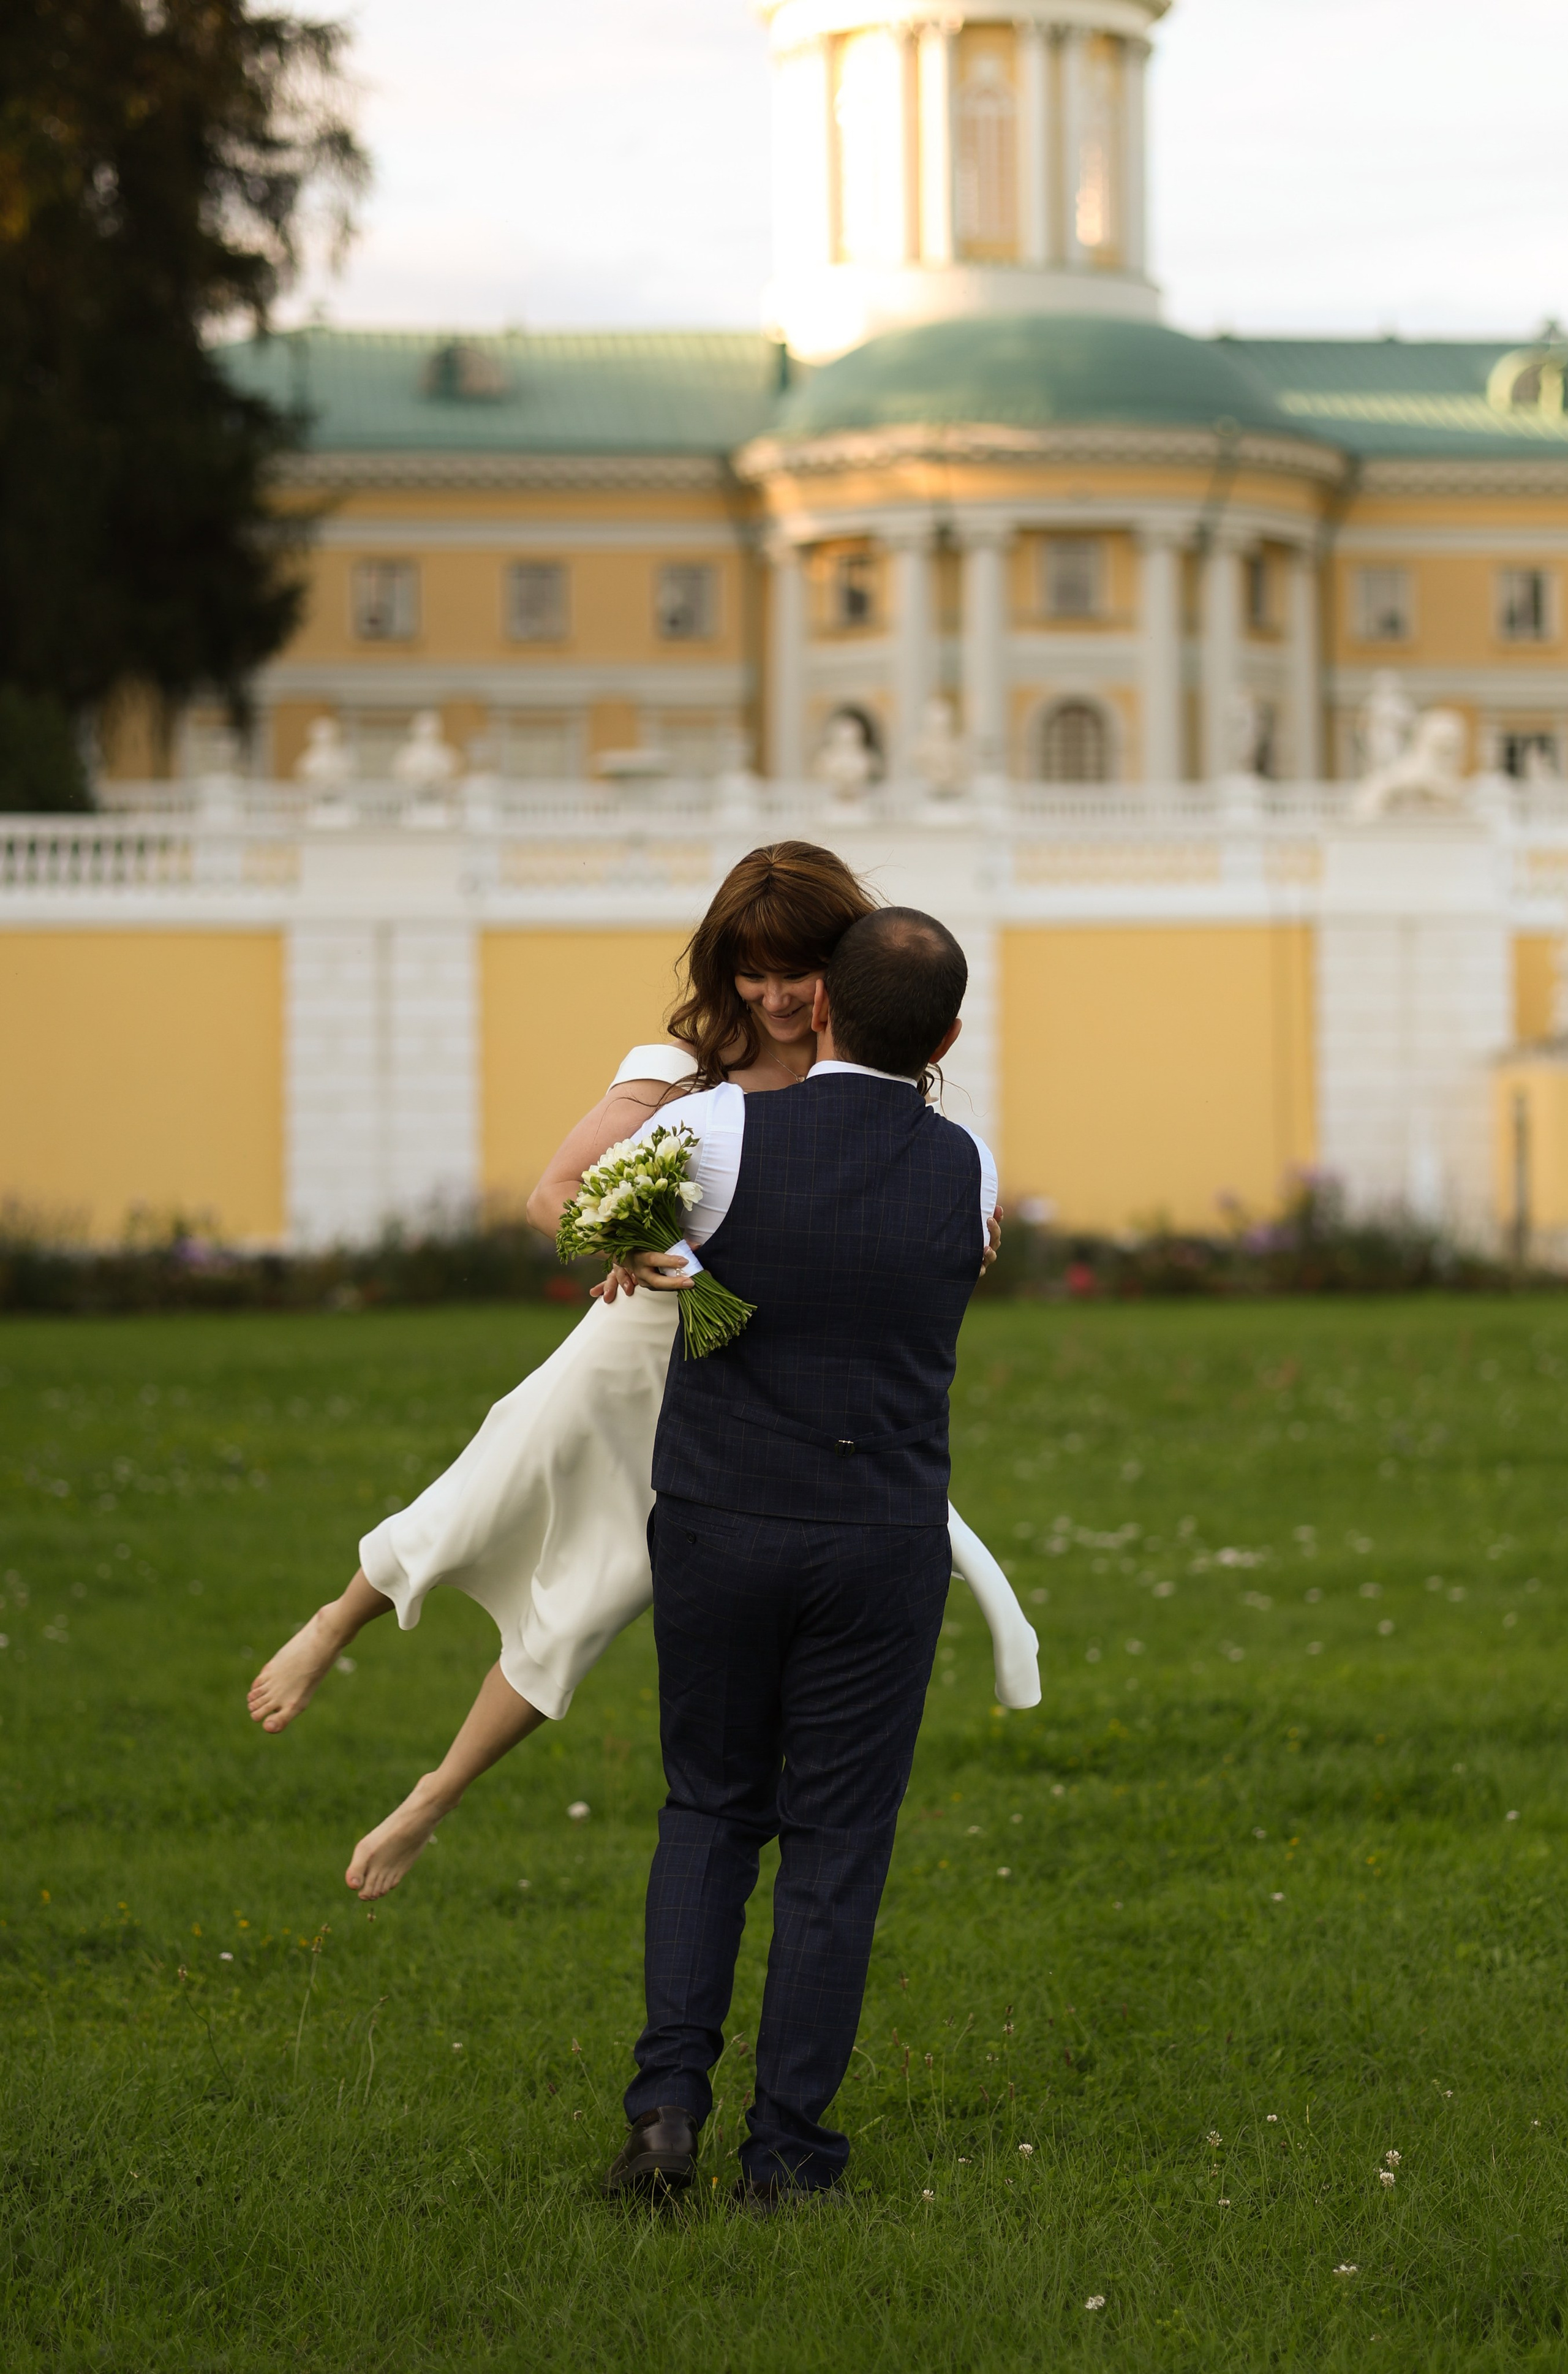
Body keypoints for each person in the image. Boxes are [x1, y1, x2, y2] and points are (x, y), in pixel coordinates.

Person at [244, 845, 1038, 1900]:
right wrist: (627, 1243)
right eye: (748, 974)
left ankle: (435, 1794)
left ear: (839, 967)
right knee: (488, 1490)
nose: (772, 997)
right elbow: (555, 1194)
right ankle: (333, 1624)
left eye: (792, 972)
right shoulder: (681, 1073)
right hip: (634, 1351)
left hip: (743, 1401)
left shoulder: (875, 1087)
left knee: (597, 1595)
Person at [605, 906, 995, 2207]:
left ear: (816, 1005)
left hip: (717, 1515)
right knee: (836, 1844)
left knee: (710, 1809)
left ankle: (664, 2114)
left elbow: (602, 1220)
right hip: (880, 1537)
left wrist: (620, 1247)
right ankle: (786, 2156)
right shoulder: (970, 1163)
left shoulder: (708, 1131)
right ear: (945, 1036)